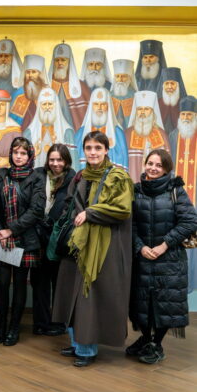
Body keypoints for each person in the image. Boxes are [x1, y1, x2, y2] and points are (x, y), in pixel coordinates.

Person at [53, 131, 134, 367]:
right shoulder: (81, 176)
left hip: (104, 246)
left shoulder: (118, 176)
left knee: (89, 297)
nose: (93, 152)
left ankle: (87, 348)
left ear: (106, 150)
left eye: (98, 148)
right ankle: (77, 342)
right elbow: (70, 205)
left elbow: (122, 209)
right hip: (78, 243)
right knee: (72, 295)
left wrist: (90, 213)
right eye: (89, 148)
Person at [128, 149, 197, 364]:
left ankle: (156, 344)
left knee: (165, 303)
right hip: (142, 258)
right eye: (150, 163)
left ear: (166, 169)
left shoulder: (176, 191)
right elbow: (129, 224)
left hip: (169, 259)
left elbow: (190, 221)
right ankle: (146, 339)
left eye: (159, 165)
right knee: (141, 303)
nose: (153, 168)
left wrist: (164, 245)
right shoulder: (135, 191)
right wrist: (140, 247)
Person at [0, 137, 45, 346]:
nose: (18, 157)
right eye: (15, 152)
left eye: (23, 153)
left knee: (20, 285)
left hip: (24, 239)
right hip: (1, 239)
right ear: (10, 154)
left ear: (29, 156)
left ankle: (14, 328)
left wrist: (10, 230)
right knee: (2, 285)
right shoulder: (0, 175)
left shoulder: (37, 177)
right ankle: (1, 327)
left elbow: (36, 210)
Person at [32, 144, 75, 336]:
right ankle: (41, 322)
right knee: (39, 282)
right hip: (37, 236)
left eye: (60, 160)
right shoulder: (38, 175)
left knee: (59, 282)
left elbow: (70, 207)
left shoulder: (73, 178)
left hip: (58, 238)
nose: (55, 163)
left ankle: (58, 323)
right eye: (52, 159)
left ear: (66, 161)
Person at [74, 87, 128, 170]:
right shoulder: (80, 134)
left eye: (103, 104)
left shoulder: (118, 134)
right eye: (96, 104)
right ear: (91, 106)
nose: (99, 108)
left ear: (108, 106)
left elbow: (124, 167)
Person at [48, 43, 90, 129]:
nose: (59, 63)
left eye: (63, 60)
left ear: (69, 62)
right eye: (57, 60)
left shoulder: (81, 86)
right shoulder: (47, 84)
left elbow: (86, 115)